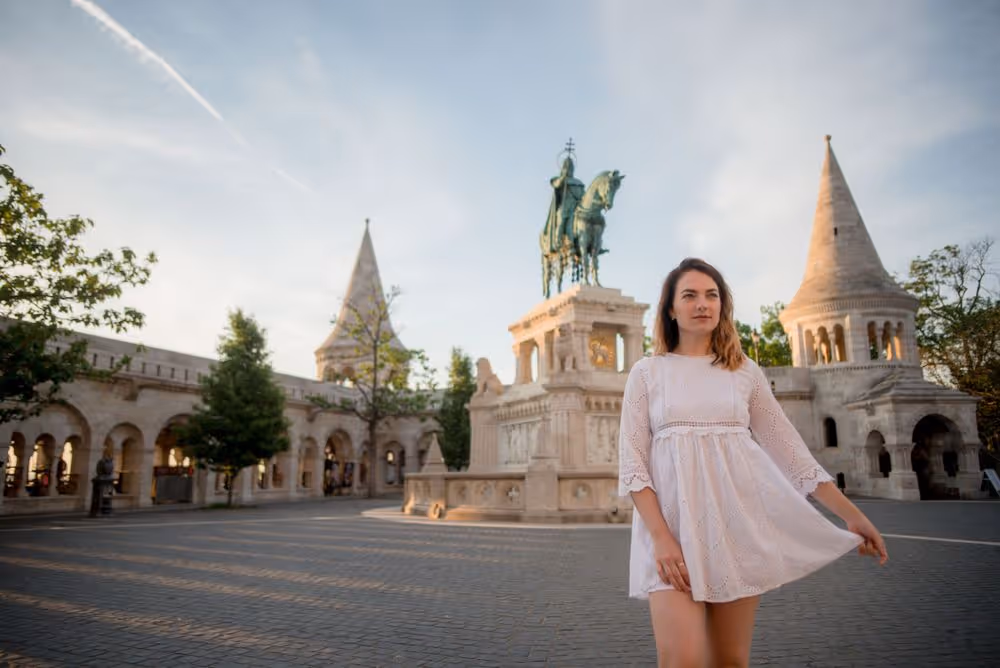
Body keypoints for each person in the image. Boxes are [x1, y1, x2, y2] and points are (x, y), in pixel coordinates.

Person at [618, 258, 888, 668]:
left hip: (737, 529)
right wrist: (661, 538)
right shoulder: (647, 373)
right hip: (671, 536)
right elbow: (634, 464)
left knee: (730, 659)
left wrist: (852, 516)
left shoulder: (744, 373)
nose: (702, 304)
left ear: (723, 306)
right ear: (670, 309)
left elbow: (791, 452)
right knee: (683, 660)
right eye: (689, 295)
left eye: (712, 295)